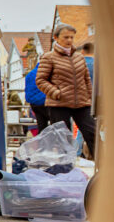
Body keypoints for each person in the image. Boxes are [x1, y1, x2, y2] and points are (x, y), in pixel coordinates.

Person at [36, 23, 96, 157]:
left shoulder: (79, 57)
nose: (69, 40)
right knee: (63, 140)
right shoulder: (48, 57)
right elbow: (40, 80)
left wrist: (90, 98)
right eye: (66, 37)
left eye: (71, 37)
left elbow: (86, 79)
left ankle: (104, 166)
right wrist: (56, 93)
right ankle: (66, 170)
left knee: (93, 133)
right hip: (59, 103)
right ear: (56, 38)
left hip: (81, 103)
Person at [24, 62, 49, 134]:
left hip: (34, 104)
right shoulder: (46, 73)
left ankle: (42, 143)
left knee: (41, 125)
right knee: (54, 123)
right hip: (44, 102)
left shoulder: (29, 74)